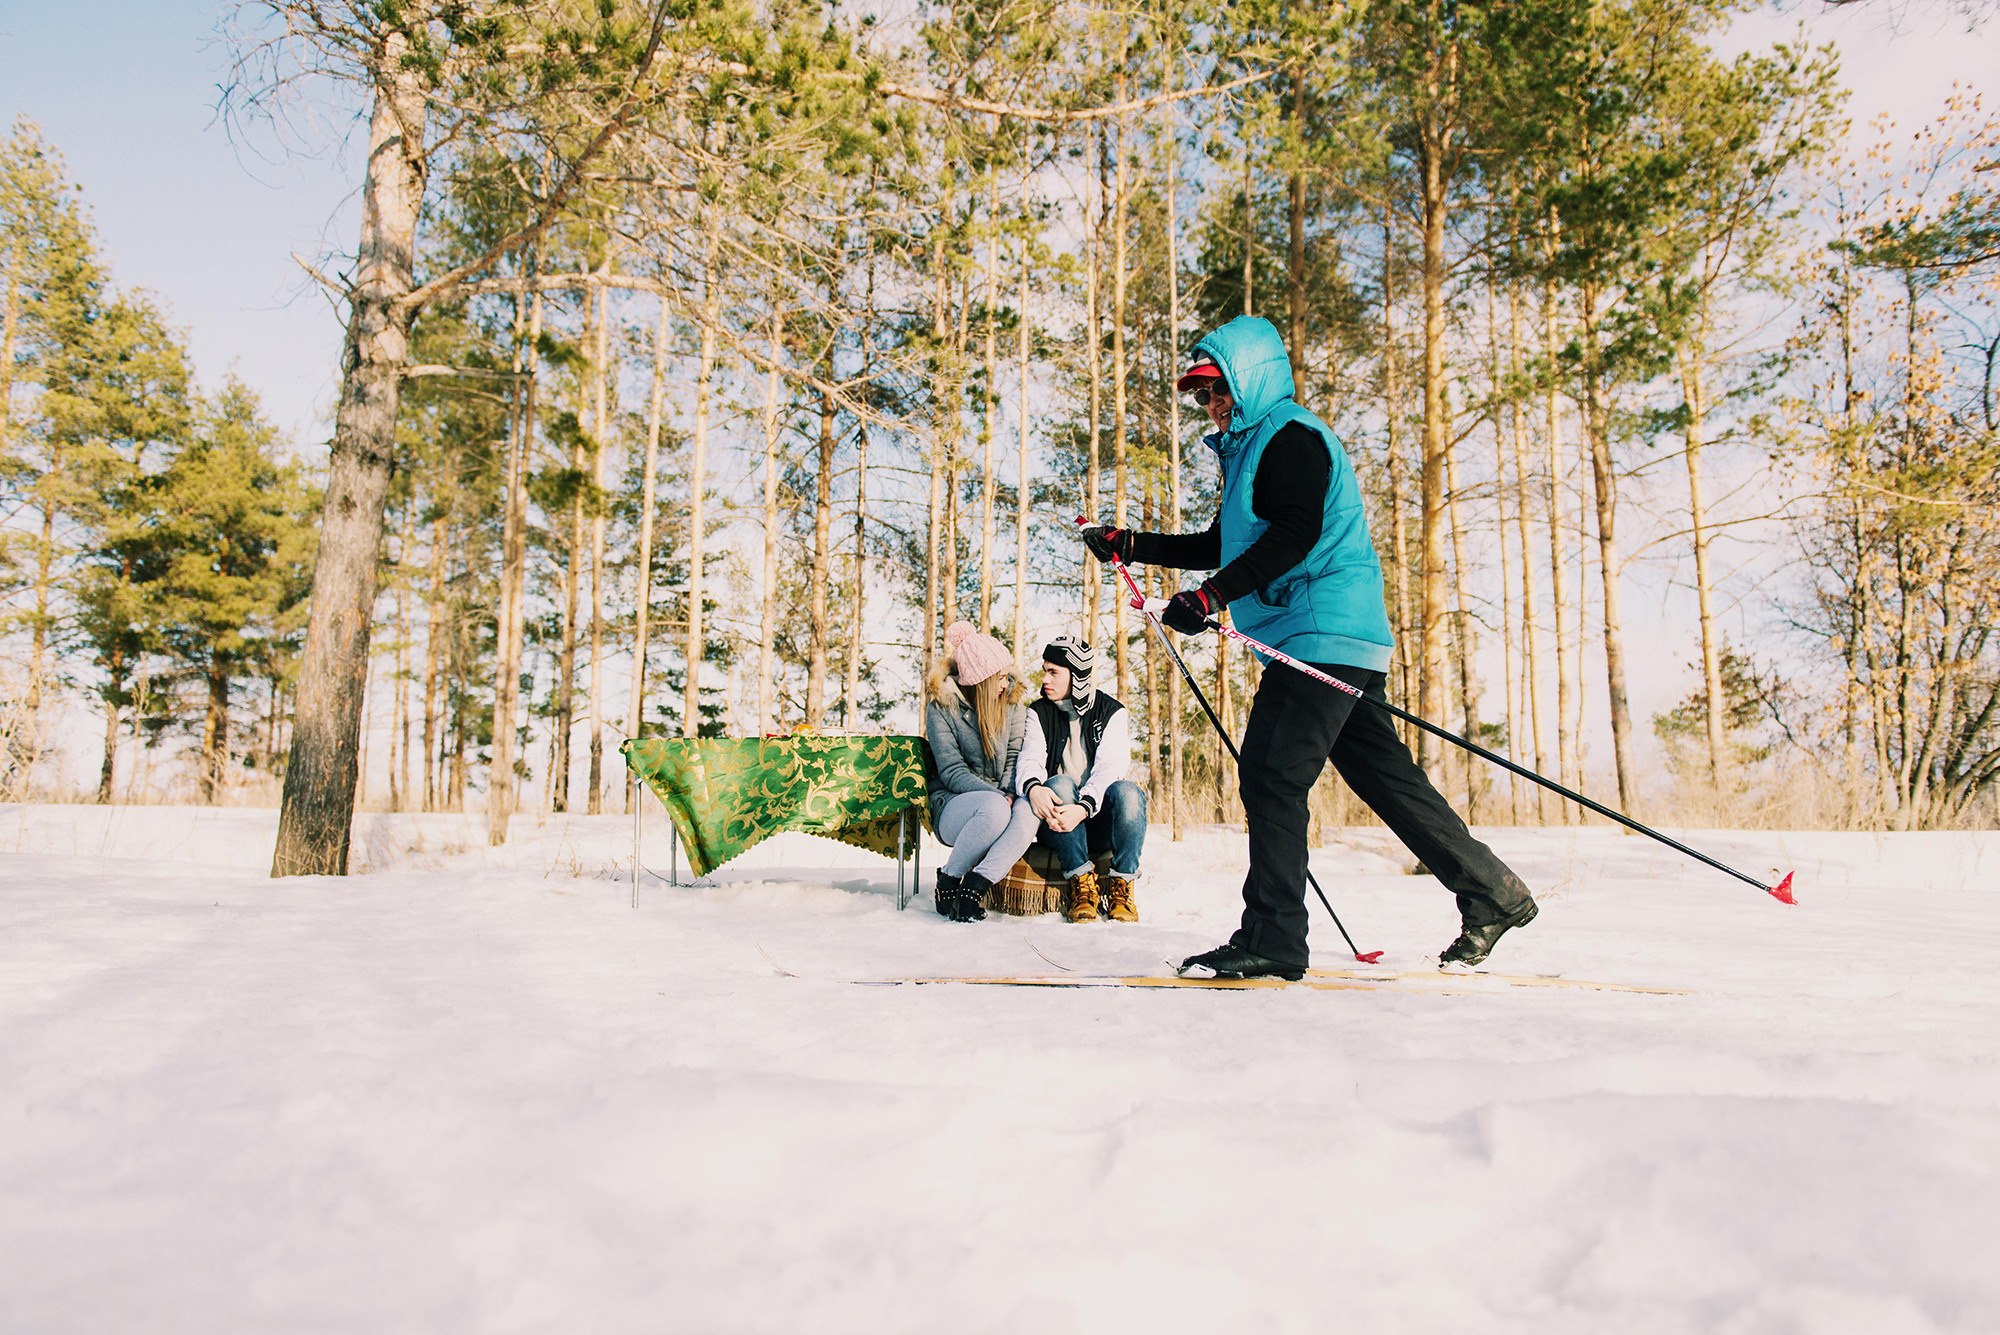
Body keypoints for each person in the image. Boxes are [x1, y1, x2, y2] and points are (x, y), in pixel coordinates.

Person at [1081, 314, 1538, 979]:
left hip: (1321, 632)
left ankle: (1273, 937)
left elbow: (1294, 535)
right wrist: (1130, 545)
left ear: (1250, 378)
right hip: (1336, 637)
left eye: (1218, 388)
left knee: (1271, 770)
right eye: (1202, 395)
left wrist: (1210, 598)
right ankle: (1493, 892)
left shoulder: (1292, 437)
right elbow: (1223, 544)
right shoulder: (1254, 451)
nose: (1211, 404)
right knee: (1386, 779)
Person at [1014, 636, 1148, 924]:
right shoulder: (1038, 712)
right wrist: (1033, 788)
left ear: (1076, 675)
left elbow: (1110, 769)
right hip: (1057, 822)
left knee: (1129, 792)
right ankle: (1081, 883)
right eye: (1045, 671)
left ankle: (1122, 887)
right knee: (1060, 783)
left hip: (1096, 819)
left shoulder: (1111, 712)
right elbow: (1029, 759)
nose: (1045, 679)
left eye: (1054, 672)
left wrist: (1084, 808)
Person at [924, 620, 1039, 922]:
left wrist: (1010, 793)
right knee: (994, 808)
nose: (1006, 684)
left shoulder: (1013, 706)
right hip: (953, 803)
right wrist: (998, 796)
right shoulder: (942, 708)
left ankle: (974, 888)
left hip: (1003, 797)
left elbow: (1013, 756)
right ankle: (949, 879)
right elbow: (951, 770)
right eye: (999, 678)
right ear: (980, 680)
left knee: (1030, 810)